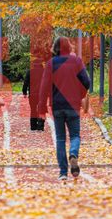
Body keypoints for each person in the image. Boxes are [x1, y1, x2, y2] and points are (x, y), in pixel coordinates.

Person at [39, 36, 91, 180]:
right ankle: (73, 154)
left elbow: (44, 87)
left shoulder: (51, 63)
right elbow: (86, 81)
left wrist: (41, 107)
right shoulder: (76, 61)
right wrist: (79, 93)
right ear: (69, 47)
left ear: (55, 48)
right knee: (75, 135)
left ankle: (63, 172)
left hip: (57, 105)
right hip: (73, 104)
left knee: (60, 138)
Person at [22, 49, 46, 131]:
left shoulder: (30, 72)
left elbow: (25, 83)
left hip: (32, 94)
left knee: (33, 109)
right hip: (42, 94)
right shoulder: (44, 72)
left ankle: (33, 126)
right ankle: (40, 126)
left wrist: (24, 92)